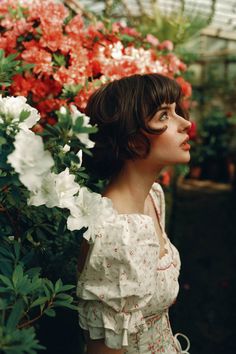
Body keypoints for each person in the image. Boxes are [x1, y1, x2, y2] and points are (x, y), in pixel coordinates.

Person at [77, 73, 192, 354]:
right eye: (164, 116)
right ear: (132, 139)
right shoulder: (116, 233)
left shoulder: (153, 197)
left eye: (177, 111)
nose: (185, 123)